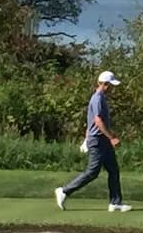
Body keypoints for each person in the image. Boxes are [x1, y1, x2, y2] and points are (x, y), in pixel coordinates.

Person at [54, 71, 132, 212]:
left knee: (113, 170)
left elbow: (90, 122)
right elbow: (97, 121)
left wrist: (88, 138)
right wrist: (111, 137)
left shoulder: (101, 98)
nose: (112, 89)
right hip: (98, 140)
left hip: (102, 140)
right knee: (92, 172)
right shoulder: (97, 99)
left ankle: (115, 203)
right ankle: (65, 191)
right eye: (111, 85)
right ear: (105, 85)